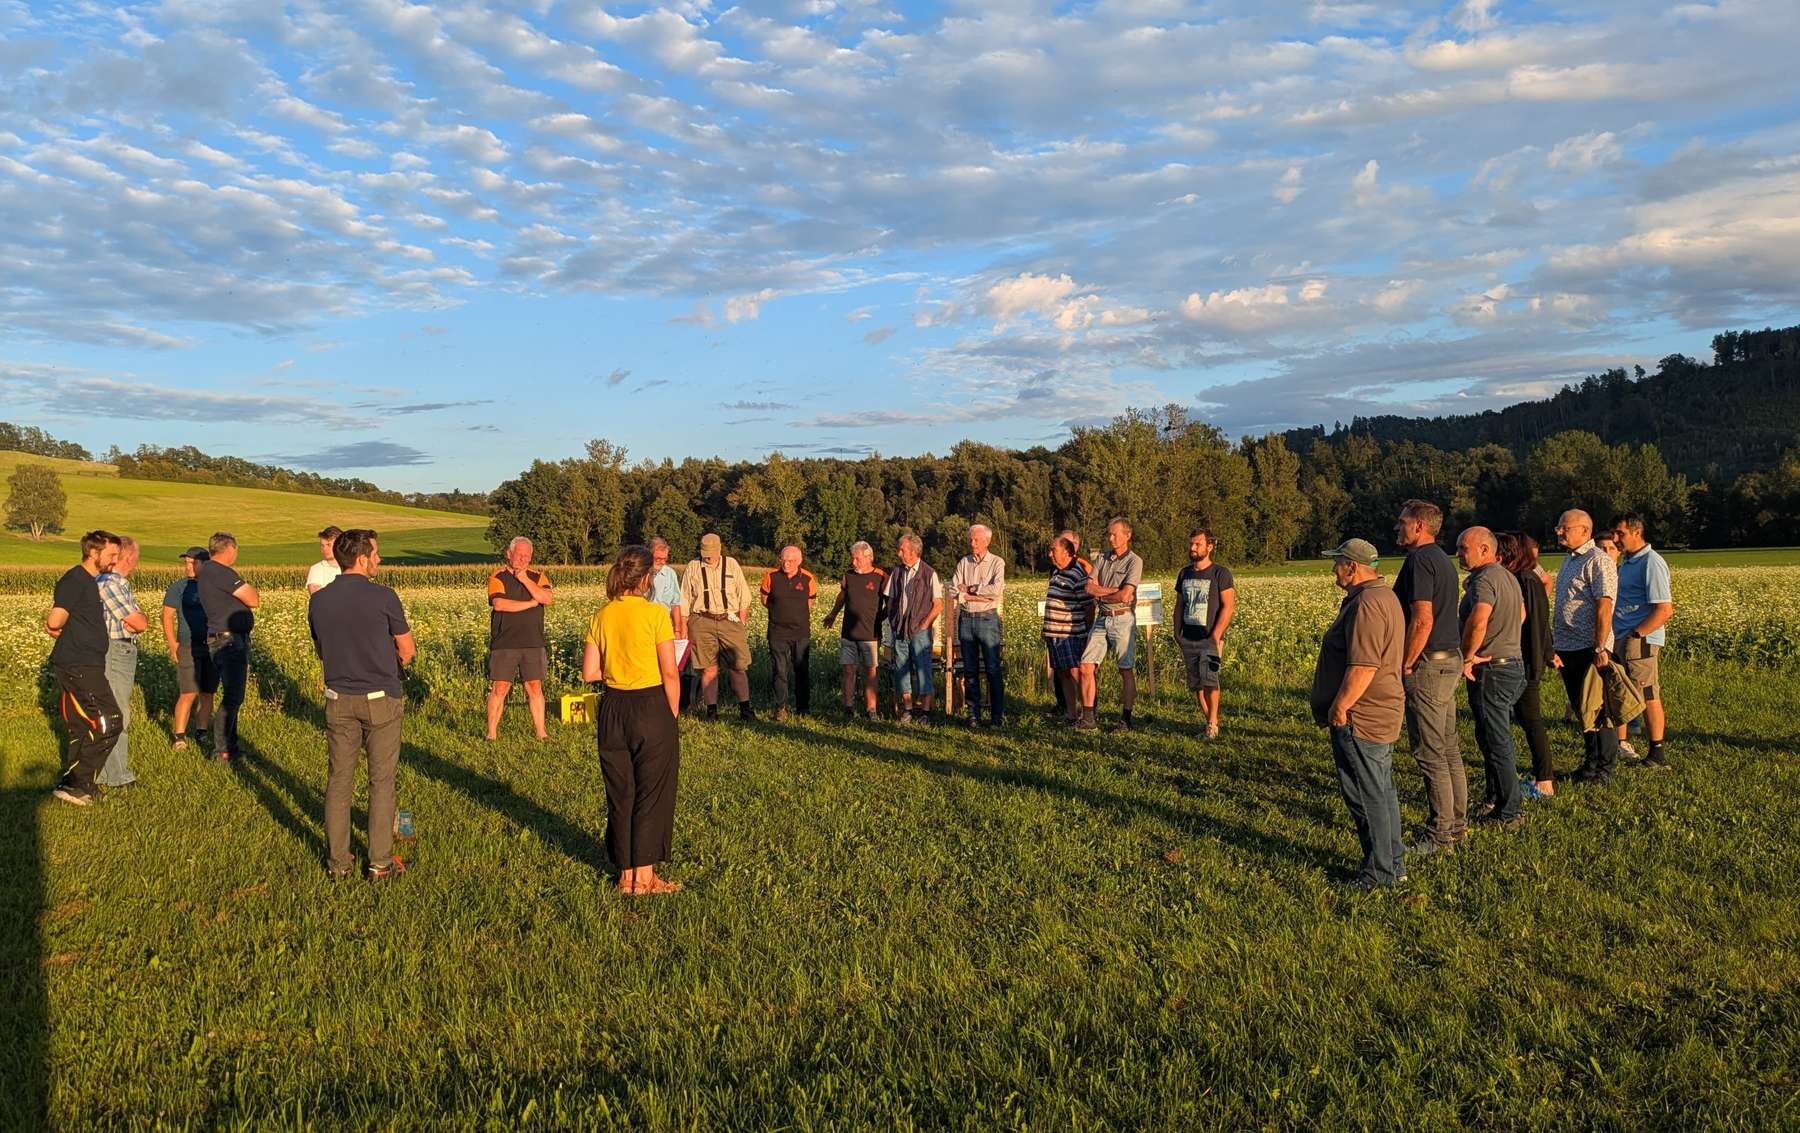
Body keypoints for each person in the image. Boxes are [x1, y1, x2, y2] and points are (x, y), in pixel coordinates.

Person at [308, 529, 415, 881]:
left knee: (339, 780)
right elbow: (407, 650)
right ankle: (379, 864)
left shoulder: (318, 600)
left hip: (337, 699)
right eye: (376, 554)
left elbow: (322, 650)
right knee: (381, 782)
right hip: (380, 700)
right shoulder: (383, 596)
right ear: (362, 557)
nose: (379, 560)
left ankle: (338, 863)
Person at [582, 545, 683, 896]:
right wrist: (672, 714)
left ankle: (625, 876)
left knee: (621, 794)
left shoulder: (600, 615)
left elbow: (589, 671)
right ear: (645, 579)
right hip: (651, 705)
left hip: (613, 709)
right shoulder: (655, 615)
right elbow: (670, 672)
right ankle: (646, 876)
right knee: (651, 794)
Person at [1311, 539, 1408, 890]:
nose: (1333, 570)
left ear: (1352, 567)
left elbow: (1364, 666)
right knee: (1381, 789)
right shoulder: (1382, 597)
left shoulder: (1367, 604)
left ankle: (1379, 872)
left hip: (1362, 715)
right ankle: (1393, 862)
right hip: (1377, 710)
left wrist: (1340, 707)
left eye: (1337, 563)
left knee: (1366, 794)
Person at [1393, 499, 1466, 859]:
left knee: (1430, 752)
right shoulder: (1442, 559)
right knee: (1449, 748)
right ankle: (1456, 826)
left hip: (1428, 664)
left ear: (1419, 527)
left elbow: (1422, 618)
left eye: (1403, 522)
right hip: (1449, 659)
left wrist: (1406, 663)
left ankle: (1440, 837)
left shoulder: (1420, 560)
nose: (1398, 527)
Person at [1456, 526, 1528, 833]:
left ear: (1485, 550)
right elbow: (1522, 614)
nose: (1458, 553)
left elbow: (1480, 618)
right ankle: (1497, 798)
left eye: (1463, 548)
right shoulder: (1506, 576)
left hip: (1492, 670)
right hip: (1511, 663)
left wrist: (1468, 655)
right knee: (1491, 736)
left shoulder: (1484, 580)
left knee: (1497, 740)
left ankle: (1510, 810)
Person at [45, 531, 126, 806]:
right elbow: (55, 620)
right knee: (110, 721)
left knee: (81, 726)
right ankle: (76, 783)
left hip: (84, 662)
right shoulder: (75, 580)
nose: (115, 560)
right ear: (94, 553)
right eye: (111, 554)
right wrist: (65, 632)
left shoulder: (87, 581)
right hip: (78, 664)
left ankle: (76, 785)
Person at [1553, 509, 1620, 784]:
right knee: (1583, 709)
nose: (1558, 532)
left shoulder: (1598, 560)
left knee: (1600, 710)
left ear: (1584, 531)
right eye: (1559, 527)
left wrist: (1600, 647)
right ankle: (1590, 763)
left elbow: (1604, 606)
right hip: (1568, 647)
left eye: (1564, 528)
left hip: (1589, 648)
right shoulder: (1569, 560)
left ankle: (1605, 768)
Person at [1611, 513, 1674, 771]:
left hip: (1640, 638)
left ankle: (1657, 752)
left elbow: (1664, 609)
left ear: (1637, 532)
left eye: (1620, 533)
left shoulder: (1651, 562)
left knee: (1647, 693)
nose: (1615, 539)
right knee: (1620, 691)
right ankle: (1619, 743)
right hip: (1622, 636)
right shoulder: (1627, 562)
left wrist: (1636, 634)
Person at [1498, 531, 1555, 799]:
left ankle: (1545, 780)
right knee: (1526, 717)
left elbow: (1534, 624)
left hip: (1526, 659)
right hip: (1529, 657)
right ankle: (1541, 776)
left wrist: (1537, 657)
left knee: (1531, 719)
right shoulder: (1525, 579)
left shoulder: (1524, 581)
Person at [196, 532, 260, 763]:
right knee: (233, 696)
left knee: (234, 695)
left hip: (223, 638)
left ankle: (230, 746)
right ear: (229, 549)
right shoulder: (221, 572)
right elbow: (252, 598)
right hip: (229, 641)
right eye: (236, 549)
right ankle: (222, 750)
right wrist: (250, 592)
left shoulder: (207, 572)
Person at [485, 536, 554, 741]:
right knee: (500, 687)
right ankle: (491, 734)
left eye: (527, 555)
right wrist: (532, 604)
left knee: (535, 687)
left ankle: (541, 733)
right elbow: (500, 605)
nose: (523, 559)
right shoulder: (497, 577)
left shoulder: (539, 577)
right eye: (519, 554)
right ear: (509, 554)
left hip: (533, 642)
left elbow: (547, 599)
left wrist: (524, 579)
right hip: (505, 643)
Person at [680, 533, 754, 721]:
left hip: (729, 620)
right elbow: (684, 599)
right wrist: (684, 627)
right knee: (708, 668)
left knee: (738, 666)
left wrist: (741, 621)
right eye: (705, 553)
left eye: (712, 553)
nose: (709, 556)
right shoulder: (693, 567)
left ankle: (745, 709)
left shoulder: (732, 565)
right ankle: (711, 711)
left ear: (720, 549)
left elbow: (744, 595)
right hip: (702, 619)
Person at [95, 535, 149, 788]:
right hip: (115, 651)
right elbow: (138, 623)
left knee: (117, 710)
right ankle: (115, 776)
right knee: (117, 712)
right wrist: (139, 620)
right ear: (128, 557)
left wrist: (137, 620)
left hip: (120, 650)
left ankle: (112, 772)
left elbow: (136, 621)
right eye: (136, 558)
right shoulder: (111, 584)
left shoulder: (118, 583)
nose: (137, 563)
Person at [1081, 517, 1144, 732]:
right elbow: (1089, 588)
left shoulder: (1134, 561)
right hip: (1102, 617)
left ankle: (1126, 719)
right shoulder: (1102, 558)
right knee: (1086, 665)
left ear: (1127, 536)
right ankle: (1088, 717)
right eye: (1109, 533)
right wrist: (1113, 592)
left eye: (1115, 534)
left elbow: (1126, 594)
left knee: (1125, 669)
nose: (1110, 538)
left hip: (1123, 619)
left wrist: (1106, 593)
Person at [1175, 527, 1236, 740]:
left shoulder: (1221, 573)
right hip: (1188, 637)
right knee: (1197, 685)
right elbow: (1179, 604)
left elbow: (1228, 606)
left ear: (1209, 546)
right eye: (1191, 543)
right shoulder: (1184, 573)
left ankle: (1212, 724)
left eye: (1197, 544)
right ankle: (1210, 722)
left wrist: (1216, 635)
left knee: (1211, 680)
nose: (1192, 548)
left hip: (1210, 638)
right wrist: (1177, 632)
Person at [884, 533, 943, 724]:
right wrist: (894, 622)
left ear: (914, 551)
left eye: (902, 549)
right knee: (901, 669)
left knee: (923, 669)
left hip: (920, 631)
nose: (899, 553)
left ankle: (925, 712)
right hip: (900, 630)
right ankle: (908, 710)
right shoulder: (897, 572)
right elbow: (890, 599)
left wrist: (924, 624)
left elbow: (938, 604)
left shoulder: (929, 573)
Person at [823, 541, 885, 719]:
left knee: (871, 671)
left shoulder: (880, 576)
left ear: (868, 558)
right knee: (848, 670)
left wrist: (879, 619)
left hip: (870, 635)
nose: (853, 562)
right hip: (848, 633)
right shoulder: (848, 575)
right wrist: (832, 615)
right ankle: (848, 708)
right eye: (853, 559)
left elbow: (890, 602)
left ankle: (871, 709)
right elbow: (842, 596)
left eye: (857, 559)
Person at [952, 524, 1006, 728]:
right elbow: (954, 590)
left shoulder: (996, 563)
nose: (972, 543)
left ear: (987, 541)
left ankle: (996, 716)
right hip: (966, 619)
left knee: (993, 668)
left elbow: (996, 590)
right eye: (971, 539)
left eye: (976, 539)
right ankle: (973, 715)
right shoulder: (963, 563)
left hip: (987, 619)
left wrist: (972, 589)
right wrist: (975, 594)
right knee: (970, 670)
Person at [162, 547, 215, 753]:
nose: (188, 567)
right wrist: (172, 643)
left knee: (207, 692)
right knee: (188, 692)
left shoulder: (213, 587)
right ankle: (179, 736)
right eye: (186, 563)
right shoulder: (178, 587)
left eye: (192, 563)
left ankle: (202, 732)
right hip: (187, 646)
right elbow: (166, 616)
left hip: (211, 646)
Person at [761, 544, 818, 721]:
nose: (786, 564)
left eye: (791, 561)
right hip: (777, 632)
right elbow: (764, 599)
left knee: (801, 670)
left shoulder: (808, 578)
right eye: (783, 560)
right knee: (780, 671)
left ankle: (803, 708)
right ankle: (780, 707)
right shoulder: (771, 576)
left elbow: (810, 602)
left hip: (801, 633)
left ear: (799, 561)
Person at [1042, 535, 1095, 727]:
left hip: (1071, 634)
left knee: (1075, 673)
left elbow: (1088, 606)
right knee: (1063, 673)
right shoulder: (1056, 572)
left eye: (1053, 550)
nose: (1050, 554)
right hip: (1054, 633)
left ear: (1066, 552)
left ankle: (1087, 713)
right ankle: (1071, 715)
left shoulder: (1076, 574)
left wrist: (1087, 632)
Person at [306, 526, 343, 594]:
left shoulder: (350, 567)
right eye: (322, 545)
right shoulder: (316, 569)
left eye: (328, 545)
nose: (324, 549)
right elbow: (317, 596)